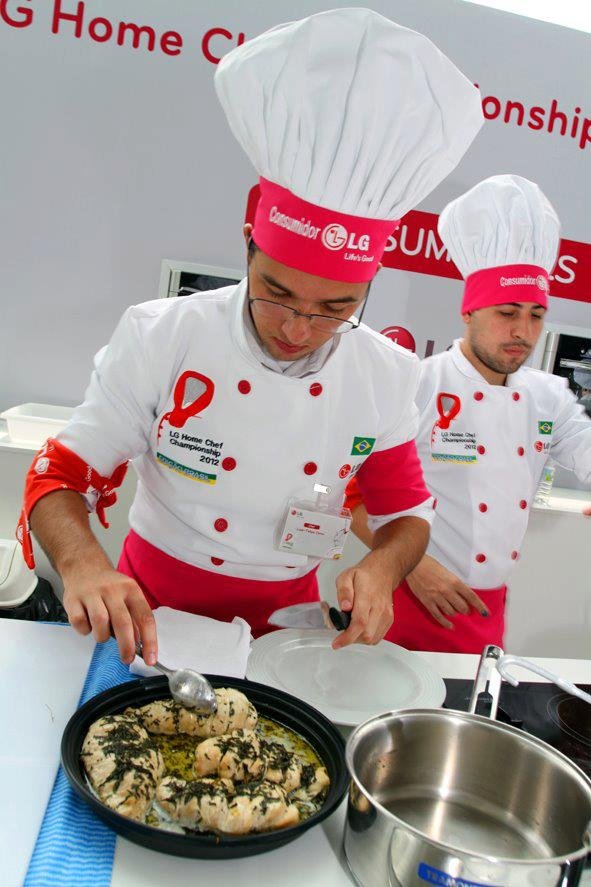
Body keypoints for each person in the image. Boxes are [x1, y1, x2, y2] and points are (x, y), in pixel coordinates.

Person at [16, 9, 483, 666]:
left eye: (336, 308)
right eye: (277, 293)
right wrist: (84, 563)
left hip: (285, 627)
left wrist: (382, 567)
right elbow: (59, 474)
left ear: (369, 284)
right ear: (247, 246)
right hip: (149, 612)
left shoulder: (385, 372)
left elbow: (405, 513)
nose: (298, 329)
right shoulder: (162, 335)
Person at [347, 174, 591, 653]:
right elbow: (349, 493)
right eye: (507, 313)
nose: (523, 331)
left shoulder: (549, 398)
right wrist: (412, 565)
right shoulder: (418, 384)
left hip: (486, 610)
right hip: (405, 598)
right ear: (469, 312)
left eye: (536, 314)